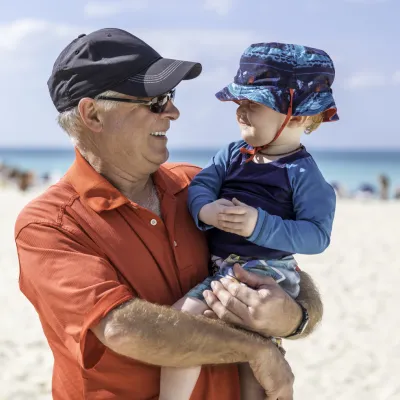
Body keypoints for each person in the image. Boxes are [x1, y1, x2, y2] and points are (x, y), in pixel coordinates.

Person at [14, 29, 323, 400]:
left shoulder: (198, 187)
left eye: (171, 97)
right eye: (156, 101)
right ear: (92, 114)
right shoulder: (49, 225)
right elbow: (123, 328)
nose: (173, 112)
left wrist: (295, 316)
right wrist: (256, 349)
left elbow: (290, 273)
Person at [160, 43, 338, 400]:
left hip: (267, 271)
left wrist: (260, 224)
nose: (241, 113)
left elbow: (317, 235)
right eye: (238, 104)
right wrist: (204, 211)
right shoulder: (232, 153)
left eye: (253, 105)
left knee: (181, 326)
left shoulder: (302, 173)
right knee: (250, 357)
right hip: (224, 266)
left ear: (300, 117)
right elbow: (203, 184)